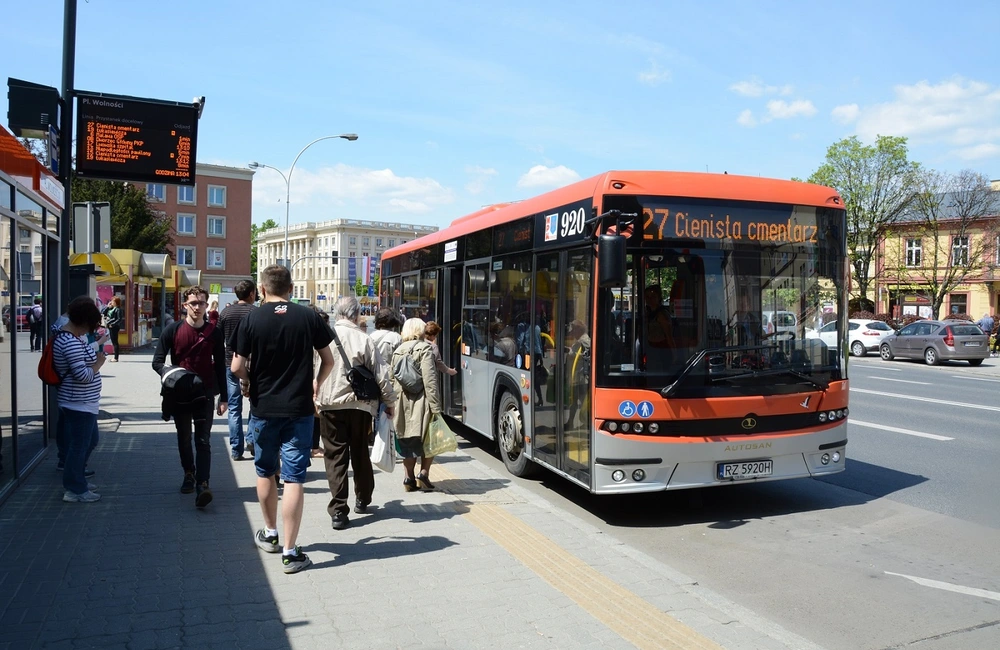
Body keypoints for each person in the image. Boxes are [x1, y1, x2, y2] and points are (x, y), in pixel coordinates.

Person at [231, 264, 334, 573]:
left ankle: (270, 533)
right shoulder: (308, 317)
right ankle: (291, 553)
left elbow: (236, 367)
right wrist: (317, 382)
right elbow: (328, 360)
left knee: (265, 472)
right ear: (292, 288)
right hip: (299, 410)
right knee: (294, 478)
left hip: (263, 407)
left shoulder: (252, 318)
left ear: (262, 289)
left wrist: (249, 383)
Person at [315, 295, 396, 530]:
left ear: (337, 313)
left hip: (329, 404)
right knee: (360, 450)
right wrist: (389, 401)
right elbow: (381, 374)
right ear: (356, 314)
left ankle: (339, 511)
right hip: (360, 405)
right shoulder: (364, 339)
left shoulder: (323, 339)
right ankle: (363, 498)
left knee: (335, 456)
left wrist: (314, 398)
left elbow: (313, 369)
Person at [152, 286, 227, 509]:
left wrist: (224, 397)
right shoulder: (172, 330)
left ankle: (203, 484)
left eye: (201, 303)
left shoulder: (214, 332)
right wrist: (171, 374)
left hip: (204, 394)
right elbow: (157, 361)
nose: (197, 307)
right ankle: (189, 474)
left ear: (206, 305)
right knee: (184, 437)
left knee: (203, 440)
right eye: (193, 303)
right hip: (180, 394)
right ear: (185, 305)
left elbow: (222, 367)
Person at [54, 297, 107, 503]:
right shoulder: (69, 342)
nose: (89, 331)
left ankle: (77, 479)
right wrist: (99, 364)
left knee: (88, 442)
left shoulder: (69, 338)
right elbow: (82, 375)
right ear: (83, 321)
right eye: (90, 326)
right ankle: (75, 488)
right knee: (79, 445)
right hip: (78, 403)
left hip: (83, 403)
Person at [391, 318, 441, 492]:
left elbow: (392, 379)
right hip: (422, 401)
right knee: (430, 438)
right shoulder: (425, 348)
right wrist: (436, 407)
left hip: (401, 402)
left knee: (407, 440)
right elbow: (430, 379)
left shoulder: (398, 350)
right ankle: (424, 473)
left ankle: (408, 477)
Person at [218, 280, 257, 460]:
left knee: (234, 408)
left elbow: (218, 340)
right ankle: (251, 439)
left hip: (229, 363)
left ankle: (235, 449)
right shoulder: (256, 313)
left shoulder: (225, 312)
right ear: (251, 294)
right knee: (255, 405)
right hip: (252, 364)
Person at [310, 306, 332, 459]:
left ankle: (314, 446)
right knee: (316, 416)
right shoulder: (321, 342)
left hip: (315, 380)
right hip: (317, 380)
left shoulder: (309, 337)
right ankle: (314, 447)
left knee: (316, 416)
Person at [101, 297, 124, 362]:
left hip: (114, 327)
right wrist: (108, 307)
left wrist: (112, 324)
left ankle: (116, 357)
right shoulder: (111, 308)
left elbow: (119, 319)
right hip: (109, 325)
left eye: (113, 301)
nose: (112, 302)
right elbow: (103, 313)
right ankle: (115, 357)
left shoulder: (118, 309)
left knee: (115, 342)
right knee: (113, 341)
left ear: (116, 302)